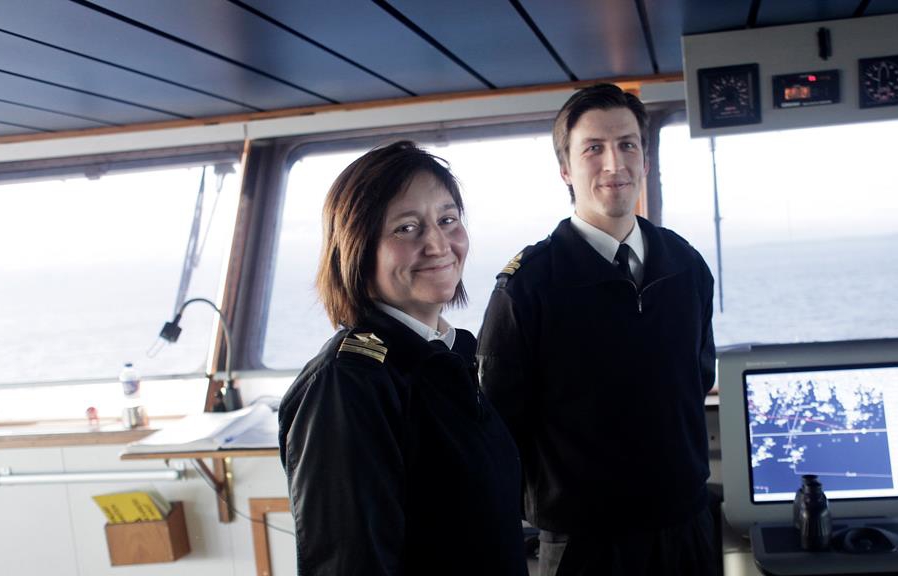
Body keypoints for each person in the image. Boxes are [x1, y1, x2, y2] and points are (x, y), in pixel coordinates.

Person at [477, 84, 718, 575]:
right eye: (594, 148)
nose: (615, 164)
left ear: (645, 159)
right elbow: (500, 430)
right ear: (565, 169)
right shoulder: (527, 287)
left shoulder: (686, 265)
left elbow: (696, 377)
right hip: (584, 546)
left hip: (686, 529)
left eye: (628, 144)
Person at [278, 141, 527, 576]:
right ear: (357, 248)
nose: (437, 244)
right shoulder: (349, 385)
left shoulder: (444, 360)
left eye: (447, 220)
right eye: (406, 228)